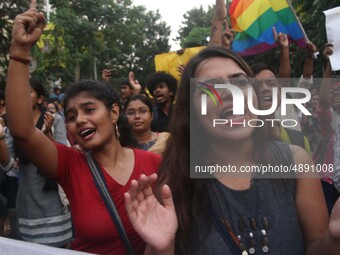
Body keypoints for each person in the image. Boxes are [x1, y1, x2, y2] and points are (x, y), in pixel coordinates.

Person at [124, 47, 340, 254]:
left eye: (240, 82)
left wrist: (333, 237)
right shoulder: (173, 184)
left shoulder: (295, 161)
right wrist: (161, 248)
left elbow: (316, 246)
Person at [6, 2, 161, 254]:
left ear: (113, 112)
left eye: (89, 110)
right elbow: (22, 131)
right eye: (71, 116)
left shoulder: (155, 165)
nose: (78, 120)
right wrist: (20, 49)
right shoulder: (70, 165)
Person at [12, 78, 73, 247]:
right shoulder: (14, 125)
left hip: (51, 197)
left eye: (28, 92)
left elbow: (62, 155)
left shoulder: (54, 120)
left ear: (40, 99)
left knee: (57, 247)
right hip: (27, 197)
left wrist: (46, 134)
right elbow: (9, 165)